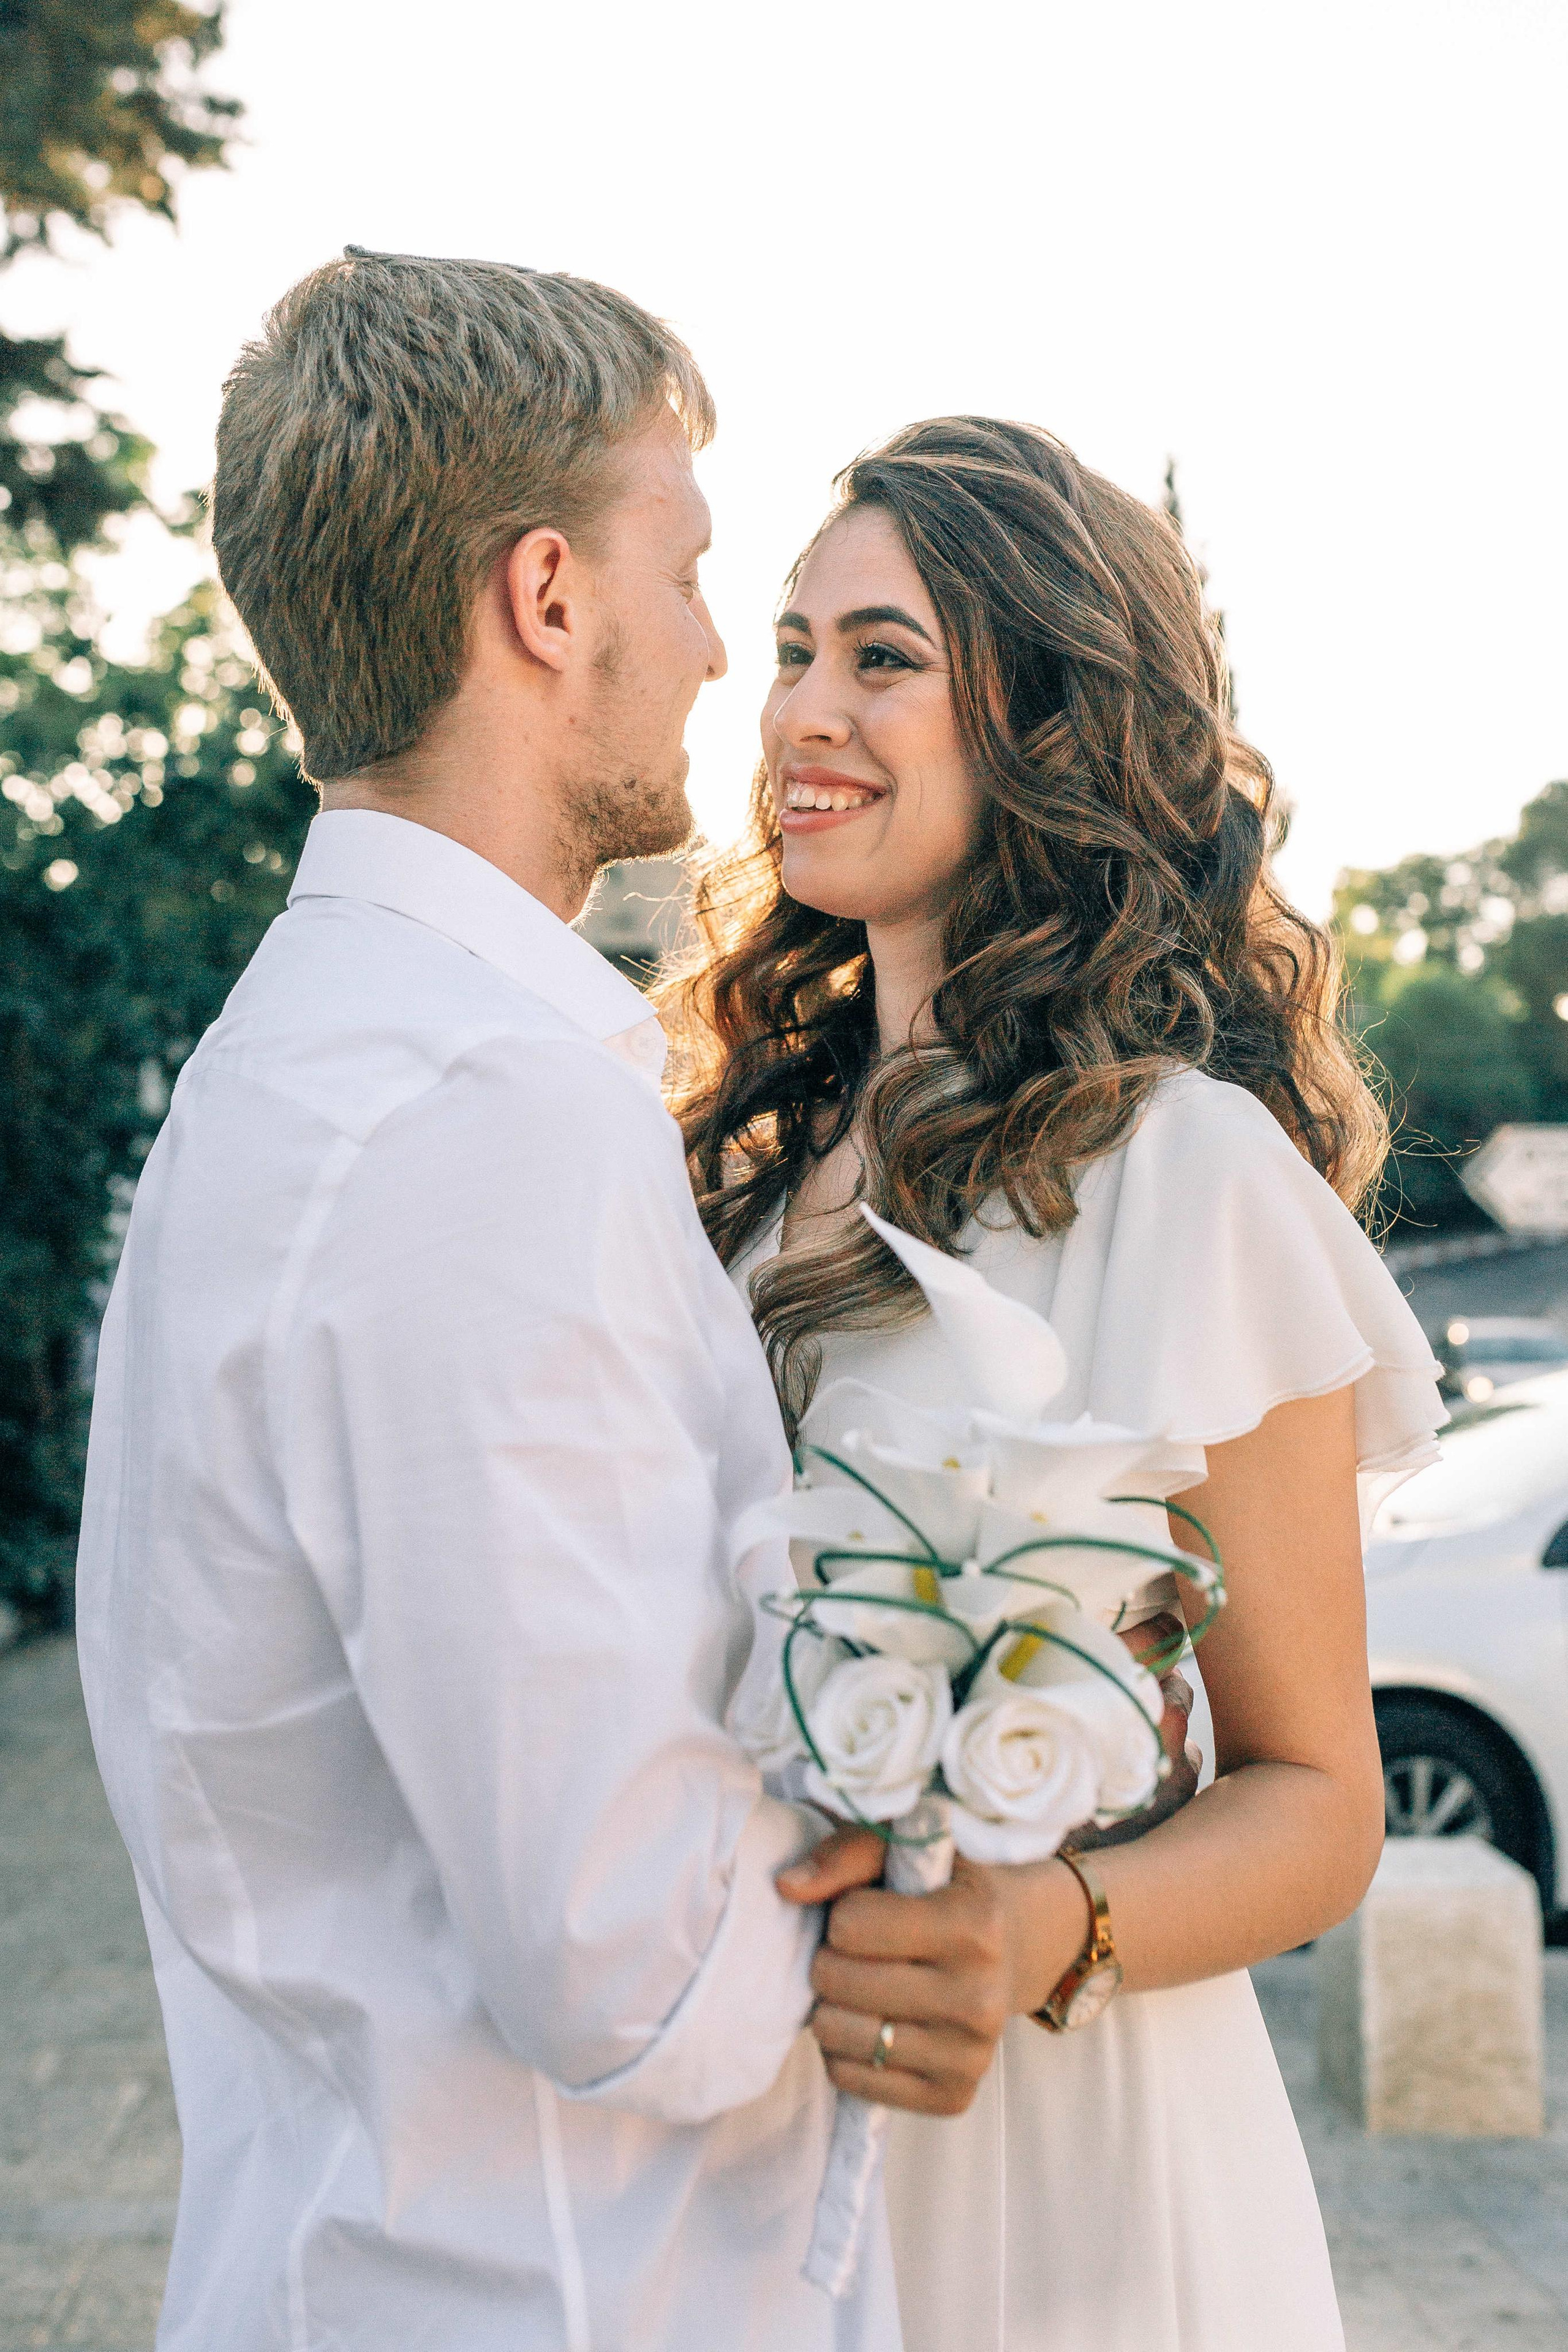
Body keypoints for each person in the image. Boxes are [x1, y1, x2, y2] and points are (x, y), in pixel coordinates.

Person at [72, 257, 1095, 2351]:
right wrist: (921, 1784)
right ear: (547, 597)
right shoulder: (486, 1114)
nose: (724, 655)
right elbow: (641, 1970)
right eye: (691, 573)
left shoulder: (290, 1065)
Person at [663, 415, 1449, 2352]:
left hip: (1065, 2162)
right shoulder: (738, 1177)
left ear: (1053, 720)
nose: (803, 710)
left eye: (884, 657)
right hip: (745, 2139)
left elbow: (1320, 1800)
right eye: (793, 648)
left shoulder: (1182, 1174)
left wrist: (1043, 1932)